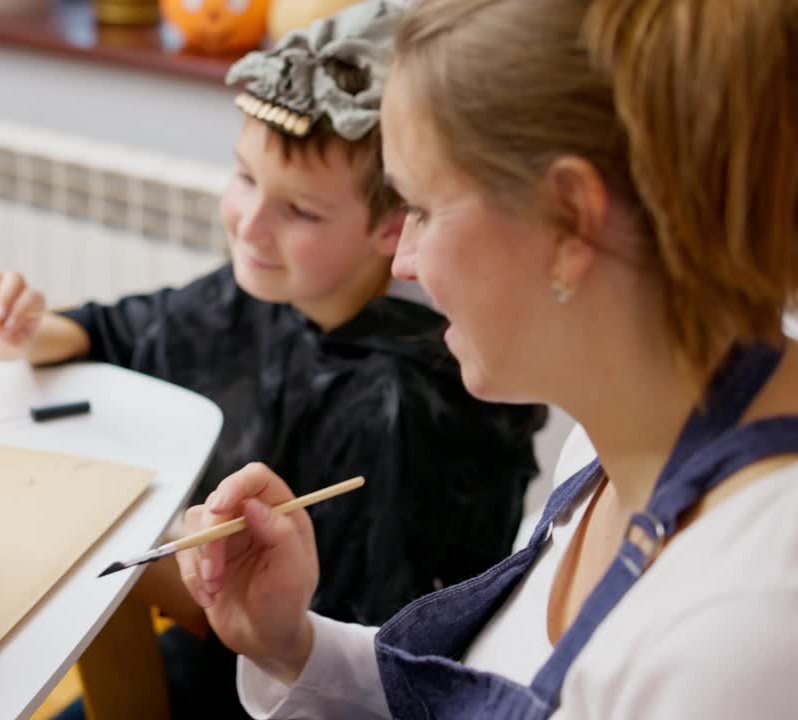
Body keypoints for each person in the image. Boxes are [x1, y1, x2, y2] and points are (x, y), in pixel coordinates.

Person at [176, 0, 798, 717]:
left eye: (423, 210)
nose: (402, 260)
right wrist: (292, 643)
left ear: (570, 219)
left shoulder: (744, 634)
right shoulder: (612, 442)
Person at [0, 3, 546, 715]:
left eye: (300, 212)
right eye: (243, 178)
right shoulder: (269, 295)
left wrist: (104, 548)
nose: (250, 223)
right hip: (202, 661)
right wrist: (23, 328)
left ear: (394, 226)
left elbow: (331, 653)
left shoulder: (404, 405)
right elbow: (116, 332)